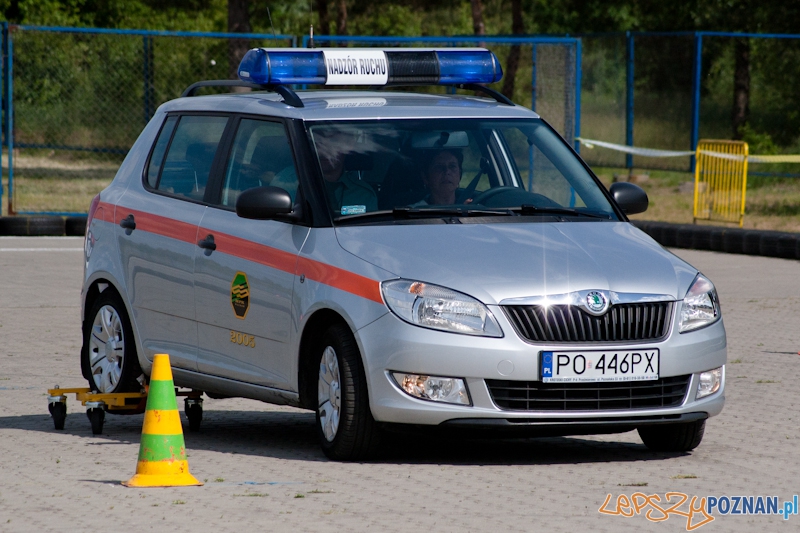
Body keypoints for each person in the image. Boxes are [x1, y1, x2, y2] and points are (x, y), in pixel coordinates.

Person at [314, 128, 377, 215]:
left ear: (348, 145)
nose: (324, 150)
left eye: (333, 141)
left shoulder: (363, 195)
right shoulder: (290, 184)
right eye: (318, 141)